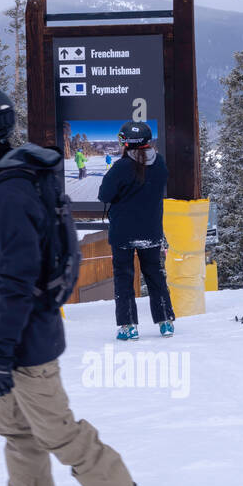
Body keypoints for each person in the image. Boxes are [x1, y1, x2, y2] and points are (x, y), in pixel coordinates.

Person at [0, 85, 153, 486]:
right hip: (11, 332)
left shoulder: (11, 193)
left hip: (26, 340)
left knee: (59, 431)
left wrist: (1, 352)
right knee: (17, 429)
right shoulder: (7, 181)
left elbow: (17, 279)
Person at [98, 120, 175, 340]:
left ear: (127, 142)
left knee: (123, 277)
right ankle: (165, 322)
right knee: (155, 275)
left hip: (123, 232)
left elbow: (104, 194)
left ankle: (128, 326)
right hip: (151, 231)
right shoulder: (159, 163)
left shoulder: (122, 167)